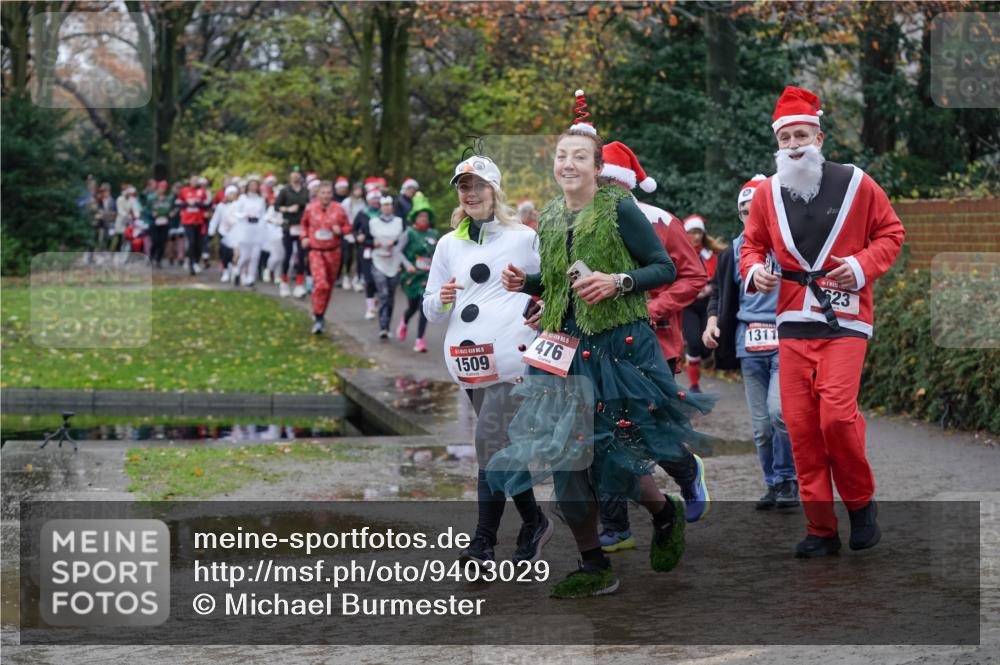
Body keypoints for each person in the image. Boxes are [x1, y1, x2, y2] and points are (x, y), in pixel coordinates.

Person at [490, 90, 713, 598]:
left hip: (620, 349)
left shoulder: (619, 210)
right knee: (568, 461)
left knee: (616, 456)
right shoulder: (547, 218)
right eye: (561, 157)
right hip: (562, 352)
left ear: (596, 166)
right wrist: (523, 282)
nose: (568, 164)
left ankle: (663, 513)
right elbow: (558, 283)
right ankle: (592, 564)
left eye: (579, 157)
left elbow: (665, 268)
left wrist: (618, 282)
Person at [740, 86, 905, 557]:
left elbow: (891, 232)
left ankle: (860, 503)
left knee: (835, 416)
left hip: (846, 320)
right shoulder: (767, 193)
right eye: (786, 136)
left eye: (802, 134)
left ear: (820, 136)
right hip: (792, 318)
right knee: (800, 426)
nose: (794, 144)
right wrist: (754, 271)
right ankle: (820, 530)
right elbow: (751, 245)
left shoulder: (856, 182)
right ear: (778, 144)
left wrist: (859, 267)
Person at [423, 154, 550, 568]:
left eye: (478, 185)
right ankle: (534, 521)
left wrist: (544, 306)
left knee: (488, 444)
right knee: (501, 447)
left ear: (495, 189)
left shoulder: (523, 237)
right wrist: (439, 300)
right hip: (469, 365)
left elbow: (554, 284)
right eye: (463, 186)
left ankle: (483, 543)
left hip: (512, 360)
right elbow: (429, 308)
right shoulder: (448, 244)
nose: (470, 193)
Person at [596, 140, 711, 552]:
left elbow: (694, 276)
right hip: (599, 346)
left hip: (654, 344)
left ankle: (684, 468)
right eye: (599, 179)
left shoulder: (661, 222)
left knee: (646, 429)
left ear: (626, 184)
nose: (603, 186)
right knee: (605, 430)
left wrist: (654, 306)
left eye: (611, 179)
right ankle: (616, 525)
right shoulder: (583, 222)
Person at [704, 175, 799, 510]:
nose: (750, 215)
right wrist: (712, 321)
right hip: (749, 344)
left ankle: (789, 481)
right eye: (744, 211)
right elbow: (718, 291)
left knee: (780, 415)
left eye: (756, 208)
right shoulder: (733, 251)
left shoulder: (789, 244)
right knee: (760, 428)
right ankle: (773, 484)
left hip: (785, 341)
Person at [680, 214, 726, 393]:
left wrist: (710, 288)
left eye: (699, 232)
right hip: (688, 304)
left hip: (708, 304)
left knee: (707, 347)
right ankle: (694, 385)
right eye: (692, 232)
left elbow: (719, 278)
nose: (696, 237)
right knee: (693, 342)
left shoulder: (712, 255)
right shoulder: (680, 254)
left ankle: (701, 360)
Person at [300, 181, 352, 335]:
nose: (326, 195)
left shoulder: (339, 209)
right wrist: (304, 237)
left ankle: (320, 315)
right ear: (318, 194)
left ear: (332, 194)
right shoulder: (310, 208)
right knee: (320, 284)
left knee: (328, 286)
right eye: (323, 193)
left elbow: (348, 227)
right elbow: (303, 225)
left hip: (333, 251)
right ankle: (317, 315)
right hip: (316, 251)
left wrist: (340, 230)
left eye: (329, 193)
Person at [398, 192, 438, 352]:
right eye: (421, 216)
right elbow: (398, 251)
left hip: (428, 276)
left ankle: (420, 340)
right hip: (412, 275)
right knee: (413, 307)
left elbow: (438, 255)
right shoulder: (409, 233)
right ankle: (404, 320)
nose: (424, 219)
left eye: (426, 216)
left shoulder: (433, 234)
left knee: (423, 306)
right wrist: (407, 264)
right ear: (415, 218)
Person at [369, 195, 408, 339]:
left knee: (390, 296)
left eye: (389, 205)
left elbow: (405, 239)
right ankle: (383, 327)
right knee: (383, 293)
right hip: (378, 260)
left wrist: (396, 244)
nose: (387, 208)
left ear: (392, 207)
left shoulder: (399, 222)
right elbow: (364, 238)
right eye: (384, 205)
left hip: (394, 261)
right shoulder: (373, 222)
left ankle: (387, 324)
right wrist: (373, 243)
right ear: (380, 207)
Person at [275, 170, 311, 298]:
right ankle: (284, 282)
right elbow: (276, 206)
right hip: (289, 226)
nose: (296, 177)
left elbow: (309, 204)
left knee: (301, 256)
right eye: (293, 175)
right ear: (290, 177)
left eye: (298, 175)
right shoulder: (285, 191)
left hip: (302, 226)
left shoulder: (305, 191)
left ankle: (300, 284)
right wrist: (288, 209)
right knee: (288, 254)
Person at [232, 176, 268, 288]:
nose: (253, 187)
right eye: (251, 185)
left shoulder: (260, 200)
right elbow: (236, 213)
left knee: (255, 256)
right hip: (245, 228)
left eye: (255, 185)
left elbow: (263, 214)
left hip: (257, 229)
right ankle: (237, 270)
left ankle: (250, 278)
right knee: (245, 256)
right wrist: (245, 215)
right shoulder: (243, 198)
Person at [354, 188, 383, 319]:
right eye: (373, 199)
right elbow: (353, 229)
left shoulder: (385, 214)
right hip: (366, 249)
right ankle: (370, 308)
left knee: (380, 279)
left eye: (377, 199)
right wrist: (357, 236)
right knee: (369, 279)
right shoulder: (362, 214)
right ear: (368, 200)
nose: (375, 201)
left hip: (382, 250)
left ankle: (376, 300)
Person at [176, 175, 210, 274]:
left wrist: (196, 204)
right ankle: (191, 263)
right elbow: (178, 203)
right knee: (191, 242)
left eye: (196, 180)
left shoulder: (202, 192)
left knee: (198, 244)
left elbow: (207, 205)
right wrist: (187, 203)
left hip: (199, 221)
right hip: (187, 221)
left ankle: (195, 261)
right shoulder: (184, 191)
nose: (195, 182)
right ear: (190, 181)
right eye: (193, 180)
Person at [207, 184, 240, 282]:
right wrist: (211, 231)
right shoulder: (221, 206)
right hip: (224, 232)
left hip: (236, 232)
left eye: (234, 193)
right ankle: (225, 270)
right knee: (224, 252)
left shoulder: (239, 204)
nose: (232, 195)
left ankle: (235, 269)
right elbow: (216, 219)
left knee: (235, 252)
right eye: (230, 193)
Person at [341, 182, 367, 291]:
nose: (358, 192)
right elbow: (342, 216)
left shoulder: (363, 203)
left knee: (359, 257)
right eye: (356, 189)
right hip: (347, 232)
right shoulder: (346, 202)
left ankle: (357, 278)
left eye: (360, 190)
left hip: (358, 232)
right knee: (348, 256)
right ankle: (346, 277)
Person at [167, 181, 186, 265]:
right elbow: (168, 211)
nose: (178, 190)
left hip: (181, 221)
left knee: (181, 238)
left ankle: (180, 257)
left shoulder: (183, 198)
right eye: (176, 188)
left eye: (180, 188)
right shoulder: (171, 198)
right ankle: (171, 256)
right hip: (172, 222)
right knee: (172, 239)